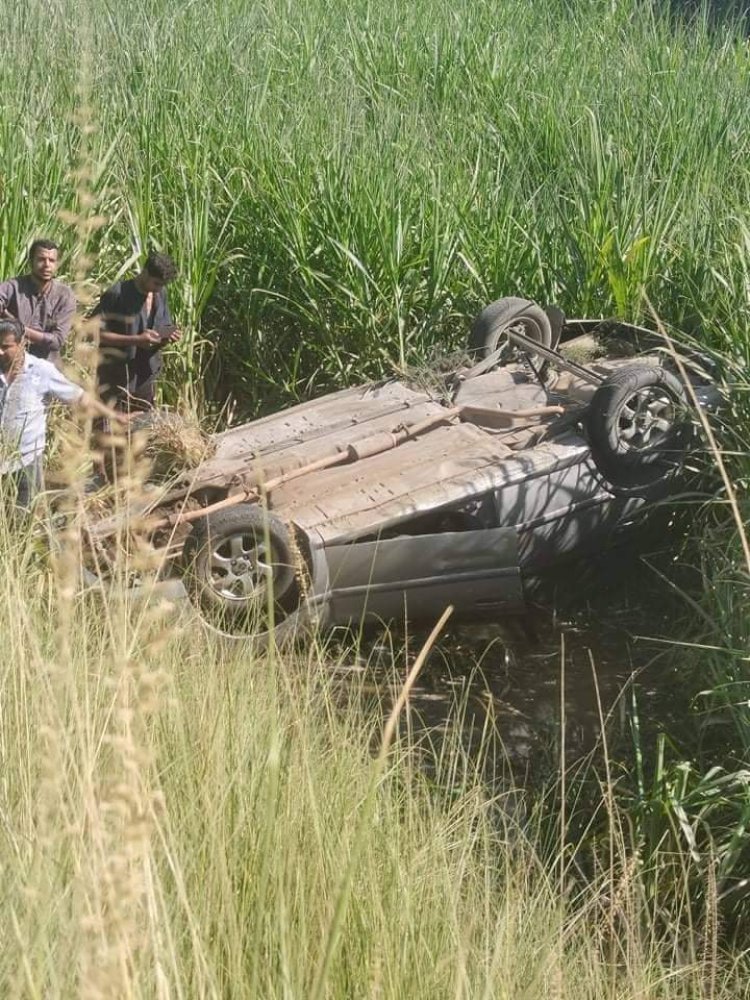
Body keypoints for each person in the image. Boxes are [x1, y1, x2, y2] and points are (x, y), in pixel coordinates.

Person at [0, 317, 123, 509]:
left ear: (22, 343)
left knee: (26, 513)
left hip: (25, 460)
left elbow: (80, 398)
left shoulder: (41, 371)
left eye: (5, 346)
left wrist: (114, 415)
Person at [91, 251, 181, 414]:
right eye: (156, 283)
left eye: (162, 285)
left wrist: (168, 337)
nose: (158, 289)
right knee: (113, 434)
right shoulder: (117, 293)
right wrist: (136, 339)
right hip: (115, 379)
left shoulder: (160, 294)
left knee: (142, 431)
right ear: (145, 272)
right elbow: (94, 332)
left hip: (145, 376)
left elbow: (162, 326)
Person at [0, 239, 77, 366]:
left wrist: (19, 328)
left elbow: (56, 341)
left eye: (51, 260)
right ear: (31, 261)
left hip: (45, 367)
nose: (47, 265)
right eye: (41, 259)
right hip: (10, 364)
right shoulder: (13, 286)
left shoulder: (65, 295)